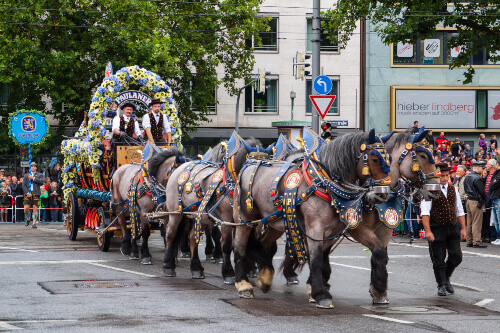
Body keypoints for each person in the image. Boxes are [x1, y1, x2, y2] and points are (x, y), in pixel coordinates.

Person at [420, 163, 466, 296]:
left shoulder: (453, 189)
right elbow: (425, 212)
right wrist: (428, 231)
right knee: (438, 259)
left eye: (446, 175)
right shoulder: (429, 189)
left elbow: (459, 210)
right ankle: (441, 284)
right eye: (442, 176)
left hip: (451, 227)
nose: (445, 178)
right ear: (436, 176)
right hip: (437, 228)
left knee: (457, 256)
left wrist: (463, 228)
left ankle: (446, 278)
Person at [464, 161, 487, 248]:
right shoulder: (477, 178)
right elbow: (482, 191)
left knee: (469, 221)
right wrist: (482, 200)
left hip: (469, 200)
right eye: (482, 168)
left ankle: (469, 240)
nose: (483, 169)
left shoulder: (467, 177)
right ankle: (476, 241)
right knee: (477, 222)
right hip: (476, 201)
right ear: (477, 168)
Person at [22, 162, 44, 228]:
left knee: (35, 208)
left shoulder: (39, 175)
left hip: (36, 193)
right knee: (26, 208)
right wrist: (27, 193)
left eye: (34, 166)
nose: (33, 167)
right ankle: (28, 218)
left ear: (36, 167)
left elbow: (41, 182)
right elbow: (24, 185)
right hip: (28, 193)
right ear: (30, 167)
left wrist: (33, 178)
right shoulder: (26, 175)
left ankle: (34, 223)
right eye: (32, 166)